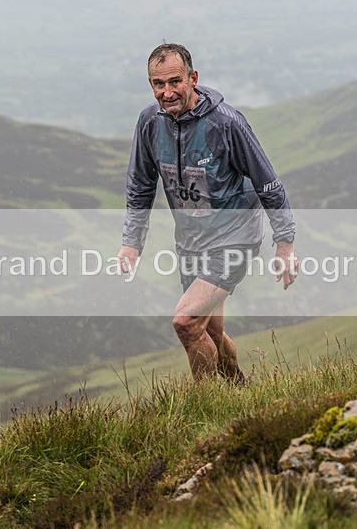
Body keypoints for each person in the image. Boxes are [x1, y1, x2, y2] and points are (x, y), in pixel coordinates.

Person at [118, 43, 297, 382]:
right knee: (208, 330)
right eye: (158, 84)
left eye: (175, 81)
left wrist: (285, 243)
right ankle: (239, 390)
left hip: (234, 237)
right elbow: (141, 185)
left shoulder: (226, 123)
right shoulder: (149, 123)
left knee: (186, 322)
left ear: (193, 78)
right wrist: (132, 242)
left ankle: (204, 403)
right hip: (191, 242)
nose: (167, 92)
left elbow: (268, 183)